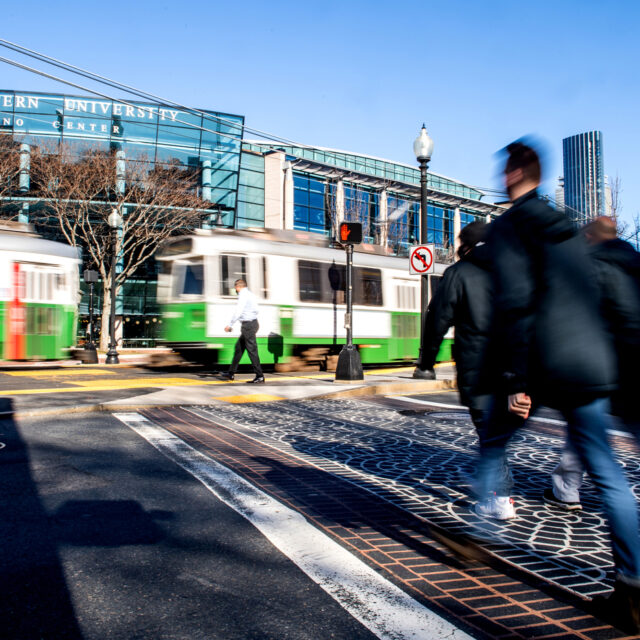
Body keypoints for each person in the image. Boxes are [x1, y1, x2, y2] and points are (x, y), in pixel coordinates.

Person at [472, 141, 640, 633]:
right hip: (591, 359)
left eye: (506, 168)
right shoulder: (564, 224)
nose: (501, 176)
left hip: (550, 359)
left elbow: (517, 304)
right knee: (607, 473)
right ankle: (632, 586)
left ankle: (477, 535)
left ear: (517, 172)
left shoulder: (511, 226)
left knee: (496, 436)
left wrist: (517, 378)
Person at [414, 222, 515, 518]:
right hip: (517, 365)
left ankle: (499, 497)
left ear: (465, 246)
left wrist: (426, 362)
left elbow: (437, 320)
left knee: (489, 430)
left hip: (479, 364)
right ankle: (500, 488)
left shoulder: (459, 273)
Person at [544, 216, 640, 511]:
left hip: (603, 366)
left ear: (590, 237)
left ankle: (567, 489)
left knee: (583, 431)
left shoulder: (593, 266)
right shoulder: (636, 262)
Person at [217, 279, 264, 384]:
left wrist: (230, 325)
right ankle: (231, 373)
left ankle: (260, 376)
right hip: (253, 323)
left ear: (238, 287)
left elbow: (238, 311)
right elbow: (256, 310)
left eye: (235, 288)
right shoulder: (250, 294)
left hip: (248, 325)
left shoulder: (243, 295)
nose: (235, 290)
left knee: (252, 351)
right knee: (239, 349)